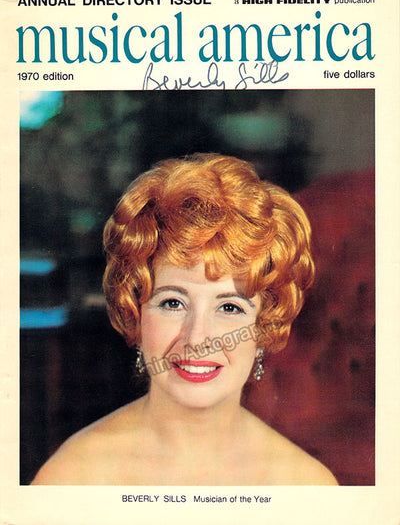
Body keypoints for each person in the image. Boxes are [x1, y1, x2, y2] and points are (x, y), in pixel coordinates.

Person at [32, 153, 337, 485]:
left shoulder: (307, 485)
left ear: (264, 325)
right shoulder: (73, 477)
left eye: (229, 308)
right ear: (135, 312)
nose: (197, 339)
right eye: (173, 303)